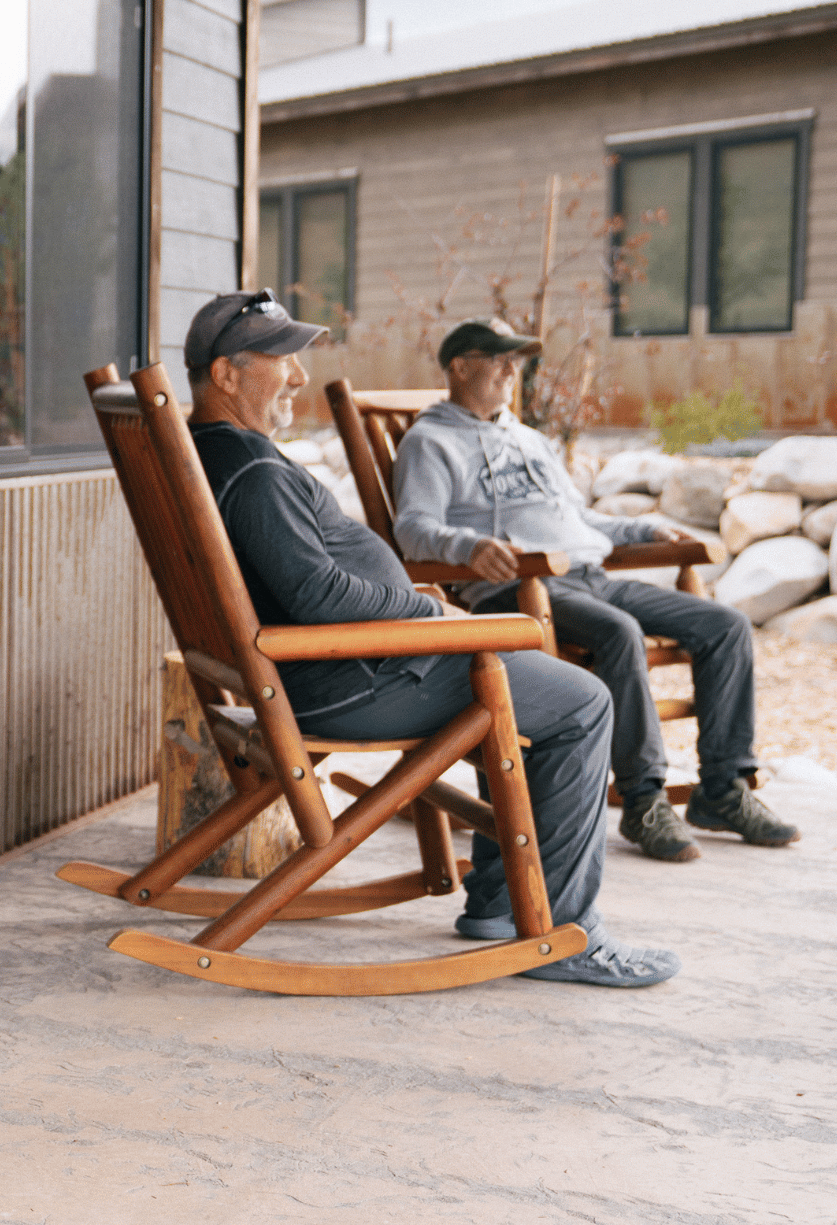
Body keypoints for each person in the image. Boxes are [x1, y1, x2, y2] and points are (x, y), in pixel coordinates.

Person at [183, 290, 678, 986]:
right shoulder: (255, 472)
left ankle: (500, 903)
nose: (298, 377)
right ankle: (569, 933)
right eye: (280, 360)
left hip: (337, 671)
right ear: (226, 375)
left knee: (532, 692)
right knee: (583, 703)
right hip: (356, 678)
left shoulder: (211, 453)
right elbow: (318, 595)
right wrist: (428, 615)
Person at [390, 318, 797, 863]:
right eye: (499, 357)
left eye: (517, 359)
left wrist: (646, 529)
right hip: (520, 589)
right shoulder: (430, 441)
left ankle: (722, 789)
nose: (513, 369)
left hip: (590, 579)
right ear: (460, 366)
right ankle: (644, 797)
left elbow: (578, 519)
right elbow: (413, 527)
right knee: (618, 634)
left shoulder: (528, 439)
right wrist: (466, 546)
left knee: (724, 626)